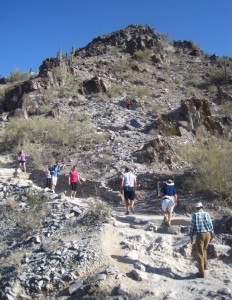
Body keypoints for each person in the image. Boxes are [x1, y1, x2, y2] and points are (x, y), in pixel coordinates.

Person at [189, 202, 214, 278]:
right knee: (204, 250)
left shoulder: (195, 215)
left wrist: (191, 236)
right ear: (202, 207)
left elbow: (192, 226)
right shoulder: (207, 214)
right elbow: (210, 225)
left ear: (197, 208)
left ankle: (201, 272)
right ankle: (205, 265)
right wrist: (212, 235)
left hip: (200, 234)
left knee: (199, 253)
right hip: (208, 233)